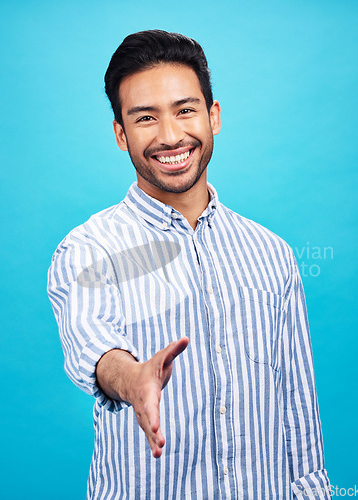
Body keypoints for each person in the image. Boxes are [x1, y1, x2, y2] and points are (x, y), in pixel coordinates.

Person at [47, 29, 331, 499]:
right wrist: (132, 379)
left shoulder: (272, 254)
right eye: (145, 118)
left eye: (185, 110)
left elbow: (298, 418)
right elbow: (93, 347)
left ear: (213, 116)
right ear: (121, 134)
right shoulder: (88, 250)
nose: (171, 135)